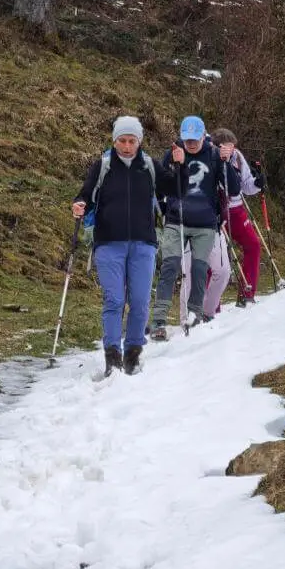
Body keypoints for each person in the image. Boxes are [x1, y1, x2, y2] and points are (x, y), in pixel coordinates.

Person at [72, 116, 174, 376]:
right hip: (108, 243)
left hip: (144, 243)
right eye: (122, 141)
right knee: (114, 300)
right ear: (114, 140)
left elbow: (175, 187)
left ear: (139, 141)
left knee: (140, 302)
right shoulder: (102, 166)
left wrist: (180, 165)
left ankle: (133, 353)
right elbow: (86, 194)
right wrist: (79, 204)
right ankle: (112, 357)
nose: (127, 146)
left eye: (132, 141)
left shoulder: (150, 165)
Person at [148, 115, 240, 341]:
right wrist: (175, 167)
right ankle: (159, 320)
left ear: (203, 135)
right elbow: (161, 184)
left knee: (199, 270)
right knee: (170, 267)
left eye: (194, 139)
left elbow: (234, 189)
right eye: (186, 139)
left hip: (205, 223)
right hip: (176, 219)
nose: (190, 144)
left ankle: (195, 315)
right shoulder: (173, 153)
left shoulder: (214, 154)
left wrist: (227, 162)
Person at [210, 128, 265, 307]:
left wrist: (257, 184)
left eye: (233, 146)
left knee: (253, 244)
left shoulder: (238, 157)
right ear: (218, 146)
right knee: (215, 257)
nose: (231, 150)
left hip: (236, 209)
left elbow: (246, 185)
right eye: (227, 146)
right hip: (215, 211)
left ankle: (247, 293)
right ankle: (210, 305)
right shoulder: (208, 156)